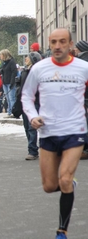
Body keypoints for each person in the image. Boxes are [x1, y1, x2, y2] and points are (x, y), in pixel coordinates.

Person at [21, 28, 88, 239]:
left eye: (62, 42)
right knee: (50, 186)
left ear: (70, 44)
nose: (57, 46)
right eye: (53, 42)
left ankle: (62, 231)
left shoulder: (83, 68)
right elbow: (26, 96)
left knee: (65, 179)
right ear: (48, 44)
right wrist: (33, 116)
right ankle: (68, 184)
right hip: (48, 132)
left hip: (75, 130)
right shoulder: (39, 69)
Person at [15, 52, 42, 160]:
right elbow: (21, 86)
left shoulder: (36, 71)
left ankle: (33, 151)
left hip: (35, 101)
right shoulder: (25, 71)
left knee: (32, 127)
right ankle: (33, 148)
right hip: (25, 101)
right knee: (27, 126)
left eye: (28, 57)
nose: (26, 58)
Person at [0, 49, 18, 118]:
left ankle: (13, 112)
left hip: (10, 82)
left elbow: (14, 72)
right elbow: (1, 71)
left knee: (12, 98)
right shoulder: (4, 63)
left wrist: (12, 82)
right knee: (8, 98)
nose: (0, 56)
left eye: (1, 55)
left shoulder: (11, 62)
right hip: (5, 82)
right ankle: (9, 111)